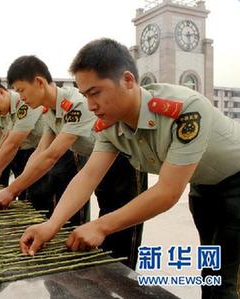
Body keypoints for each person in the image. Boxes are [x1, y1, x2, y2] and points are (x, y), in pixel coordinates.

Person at [20, 38, 240, 299]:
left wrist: (101, 226)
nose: (90, 105)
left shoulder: (184, 110)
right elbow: (89, 175)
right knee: (211, 269)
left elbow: (168, 192)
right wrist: (52, 225)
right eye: (84, 96)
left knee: (223, 279)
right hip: (203, 186)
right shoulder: (110, 124)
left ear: (127, 80)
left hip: (236, 182)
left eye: (95, 92)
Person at [0, 55, 145, 265]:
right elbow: (41, 153)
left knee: (123, 234)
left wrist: (12, 190)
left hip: (123, 161)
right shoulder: (48, 110)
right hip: (95, 161)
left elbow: (52, 156)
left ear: (39, 82)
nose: (20, 96)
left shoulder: (75, 104)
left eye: (21, 90)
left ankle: (126, 284)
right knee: (104, 219)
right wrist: (18, 187)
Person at [0, 79, 55, 212]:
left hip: (52, 151)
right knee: (28, 196)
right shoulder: (5, 110)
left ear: (2, 92)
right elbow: (4, 139)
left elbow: (13, 143)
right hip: (34, 152)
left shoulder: (24, 104)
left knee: (42, 197)